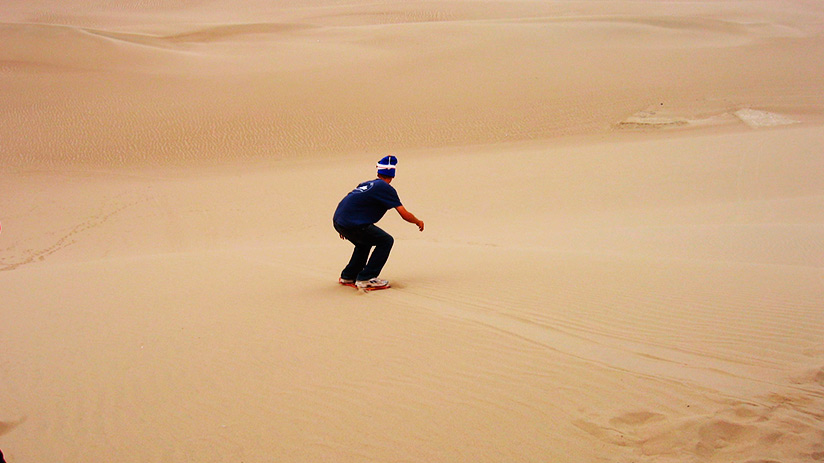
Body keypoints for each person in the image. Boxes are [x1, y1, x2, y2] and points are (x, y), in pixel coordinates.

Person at [333, 155, 424, 289]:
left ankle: (348, 276)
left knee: (364, 243)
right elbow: (404, 214)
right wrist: (417, 221)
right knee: (386, 241)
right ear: (392, 175)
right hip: (352, 223)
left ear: (378, 172)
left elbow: (349, 199)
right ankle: (367, 278)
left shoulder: (366, 184)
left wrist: (343, 226)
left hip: (340, 220)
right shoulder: (385, 188)